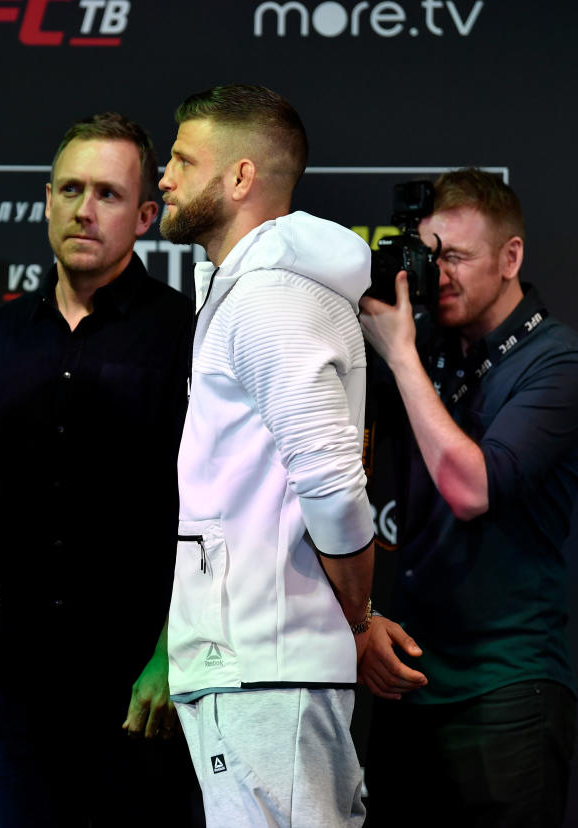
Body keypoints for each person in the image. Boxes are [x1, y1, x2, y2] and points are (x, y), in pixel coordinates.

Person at [0, 112, 201, 826]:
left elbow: (211, 514)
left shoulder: (188, 333)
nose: (85, 210)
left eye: (109, 195)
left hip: (143, 691)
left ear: (147, 214)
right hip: (14, 691)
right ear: (45, 198)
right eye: (71, 189)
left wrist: (174, 653)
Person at [357, 168, 578, 826]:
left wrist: (402, 356)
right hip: (409, 683)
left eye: (458, 257)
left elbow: (471, 490)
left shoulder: (561, 362)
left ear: (510, 257)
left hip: (509, 686)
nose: (440, 275)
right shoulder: (424, 347)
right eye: (429, 256)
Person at [160, 84, 375, 827]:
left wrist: (356, 613)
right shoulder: (240, 290)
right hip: (257, 667)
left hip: (264, 668)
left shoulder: (268, 300)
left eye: (184, 160)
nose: (165, 176)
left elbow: (335, 486)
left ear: (241, 177)